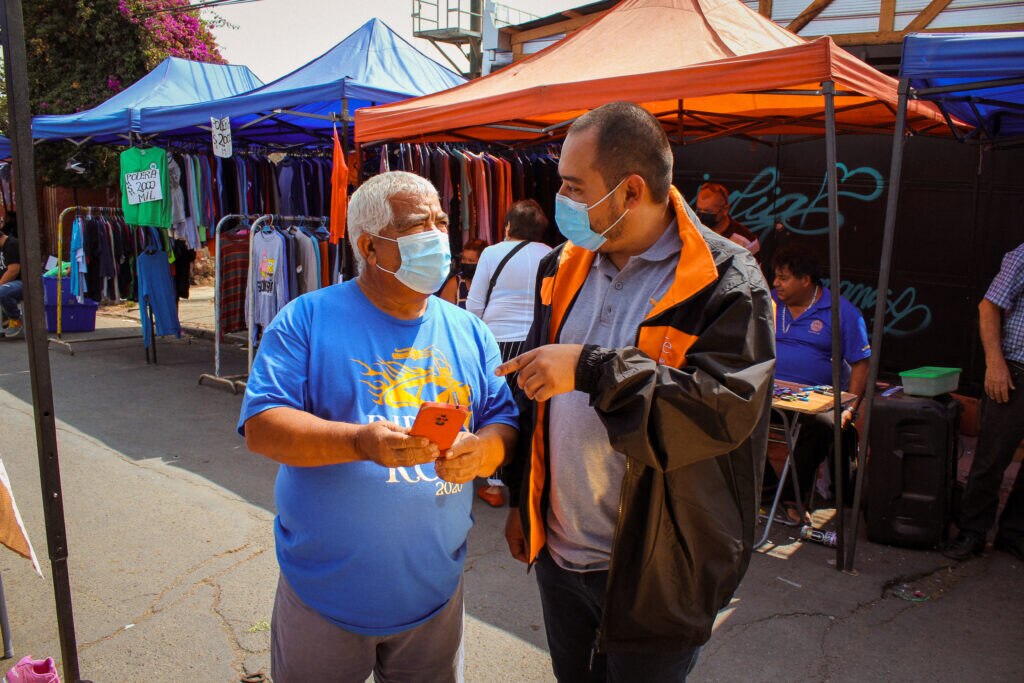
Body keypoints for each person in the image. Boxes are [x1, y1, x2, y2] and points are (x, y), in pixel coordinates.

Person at [497, 102, 775, 682]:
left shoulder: (727, 282)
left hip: (659, 569)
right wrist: (524, 497)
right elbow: (536, 398)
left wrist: (594, 369)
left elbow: (718, 412)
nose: (563, 201)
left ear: (629, 190)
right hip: (560, 556)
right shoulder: (561, 265)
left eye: (574, 187)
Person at [239, 171, 518, 683]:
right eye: (418, 226)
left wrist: (484, 453)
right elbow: (263, 425)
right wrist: (359, 442)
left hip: (435, 593)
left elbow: (502, 418)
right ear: (370, 247)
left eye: (441, 221)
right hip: (325, 596)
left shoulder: (469, 331)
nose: (438, 235)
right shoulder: (306, 319)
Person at [765, 245, 870, 524]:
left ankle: (791, 496)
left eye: (783, 277)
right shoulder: (769, 303)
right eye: (775, 277)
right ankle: (765, 490)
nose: (776, 283)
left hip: (815, 400)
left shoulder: (841, 312)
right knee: (726, 410)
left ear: (805, 280)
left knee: (827, 423)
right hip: (770, 394)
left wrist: (851, 407)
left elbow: (861, 363)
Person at [466, 199, 553, 507]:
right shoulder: (552, 254)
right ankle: (528, 476)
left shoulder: (492, 253)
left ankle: (493, 483)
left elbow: (475, 303)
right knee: (529, 407)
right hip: (537, 342)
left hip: (497, 341)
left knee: (497, 408)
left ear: (508, 227)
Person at [943, 242, 1024, 562]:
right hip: (1015, 370)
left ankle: (1013, 534)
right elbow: (988, 306)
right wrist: (995, 363)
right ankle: (972, 532)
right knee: (991, 458)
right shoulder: (1022, 255)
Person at [694, 182, 760, 255]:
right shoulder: (691, 232)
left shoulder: (746, 242)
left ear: (725, 210)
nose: (702, 215)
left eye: (708, 211)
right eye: (699, 210)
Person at [439, 238, 487, 307]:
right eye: (464, 259)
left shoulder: (492, 284)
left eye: (471, 261)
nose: (466, 263)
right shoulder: (455, 284)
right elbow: (444, 312)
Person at [0, 226, 24, 340]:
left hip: (21, 282)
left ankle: (16, 319)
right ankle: (5, 321)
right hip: (8, 283)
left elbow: (13, 271)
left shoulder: (12, 245)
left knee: (2, 292)